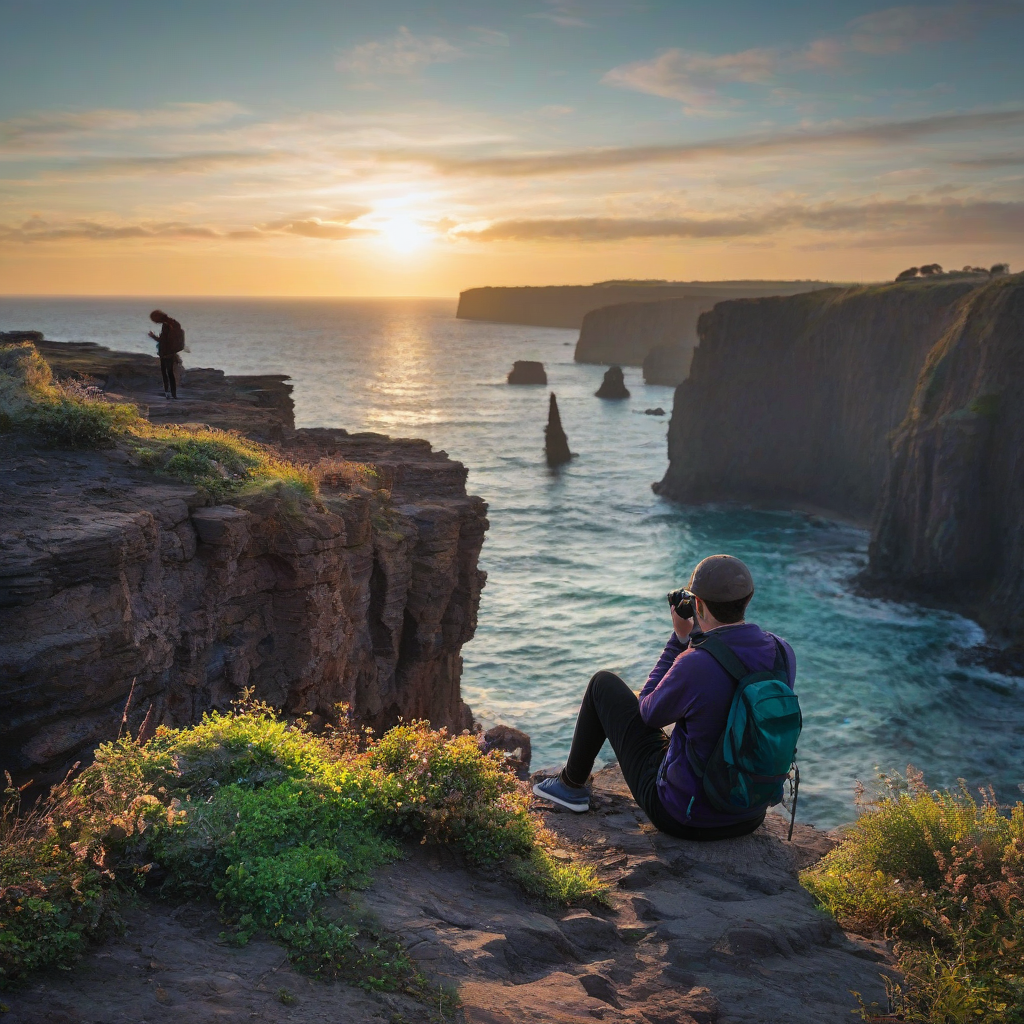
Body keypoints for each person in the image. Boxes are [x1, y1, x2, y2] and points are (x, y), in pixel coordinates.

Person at [533, 554, 796, 840]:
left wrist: (678, 641)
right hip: (748, 813)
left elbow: (649, 712)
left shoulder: (696, 663)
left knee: (602, 684)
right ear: (748, 599)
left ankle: (570, 786)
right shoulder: (783, 652)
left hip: (686, 816)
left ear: (697, 604)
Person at [147, 310, 184, 399]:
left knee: (166, 373)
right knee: (170, 373)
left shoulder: (167, 325)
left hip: (166, 353)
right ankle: (173, 394)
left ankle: (168, 393)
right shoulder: (174, 323)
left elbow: (164, 341)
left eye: (154, 320)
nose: (155, 322)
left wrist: (153, 337)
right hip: (171, 352)